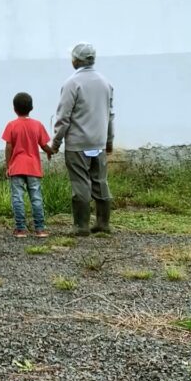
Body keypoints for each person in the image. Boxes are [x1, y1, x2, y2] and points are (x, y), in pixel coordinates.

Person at [50, 42, 115, 236]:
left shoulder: (72, 83)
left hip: (78, 143)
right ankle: (103, 223)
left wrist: (56, 142)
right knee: (100, 181)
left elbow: (63, 117)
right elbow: (110, 115)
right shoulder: (105, 82)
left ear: (76, 60)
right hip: (99, 142)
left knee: (80, 183)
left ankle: (81, 226)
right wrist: (109, 140)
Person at [2, 92, 55, 238]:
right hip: (33, 167)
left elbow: (8, 147)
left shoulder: (11, 125)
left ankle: (21, 229)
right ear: (31, 107)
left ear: (14, 108)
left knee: (17, 198)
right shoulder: (37, 125)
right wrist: (51, 151)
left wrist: (8, 166)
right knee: (36, 197)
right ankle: (40, 228)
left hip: (17, 166)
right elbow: (43, 145)